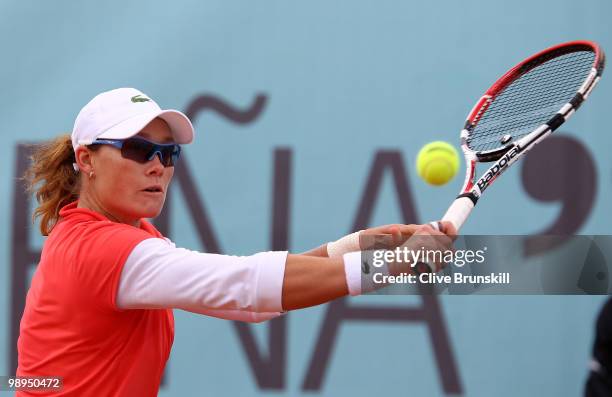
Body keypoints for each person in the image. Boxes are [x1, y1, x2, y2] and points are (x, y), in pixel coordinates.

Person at [16, 87, 456, 396]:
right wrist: (392, 266)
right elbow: (247, 285)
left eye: (168, 153)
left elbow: (247, 303)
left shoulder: (128, 235)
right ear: (86, 159)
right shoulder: (104, 250)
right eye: (137, 149)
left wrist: (355, 246)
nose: (158, 166)